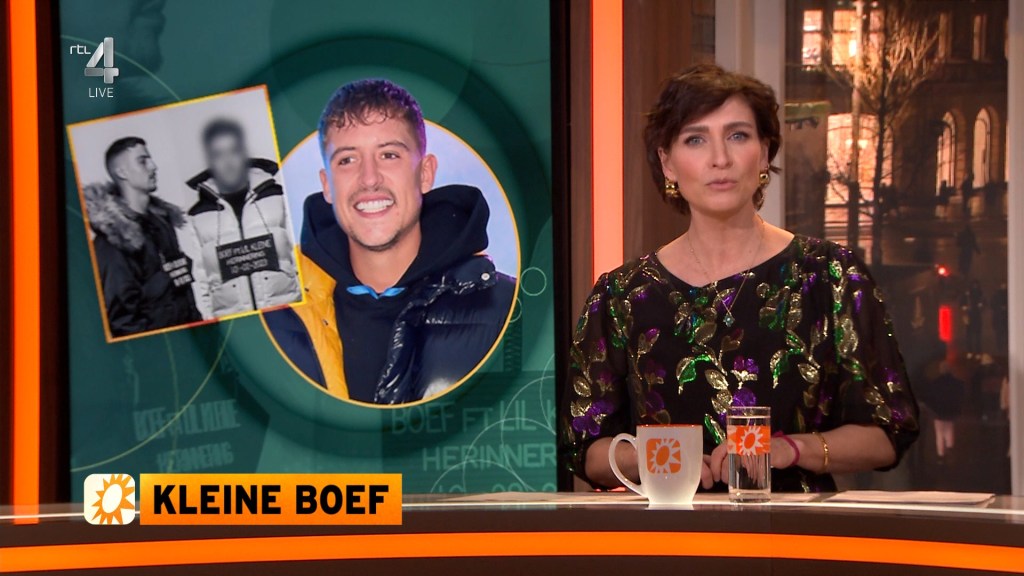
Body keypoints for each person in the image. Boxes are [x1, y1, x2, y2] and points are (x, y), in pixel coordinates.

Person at [560, 64, 919, 493]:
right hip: (671, 531)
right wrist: (660, 455)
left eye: (738, 136)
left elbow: (887, 432)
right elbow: (584, 449)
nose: (720, 159)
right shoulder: (623, 295)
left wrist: (789, 449)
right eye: (695, 139)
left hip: (793, 530)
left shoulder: (830, 276)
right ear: (667, 162)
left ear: (764, 154)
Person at [264, 79, 516, 405]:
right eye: (347, 160)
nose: (369, 179)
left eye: (389, 155)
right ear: (327, 185)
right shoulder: (272, 316)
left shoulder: (509, 308)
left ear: (425, 173)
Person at [83, 136, 202, 337]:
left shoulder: (162, 225)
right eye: (142, 161)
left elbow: (183, 289)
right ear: (122, 172)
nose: (154, 166)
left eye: (150, 159)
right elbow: (123, 322)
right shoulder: (113, 240)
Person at [184, 118, 301, 318]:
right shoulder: (198, 215)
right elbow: (201, 280)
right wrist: (213, 322)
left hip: (285, 313)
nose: (228, 161)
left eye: (233, 151)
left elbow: (299, 255)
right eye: (218, 154)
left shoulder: (278, 197)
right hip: (234, 322)